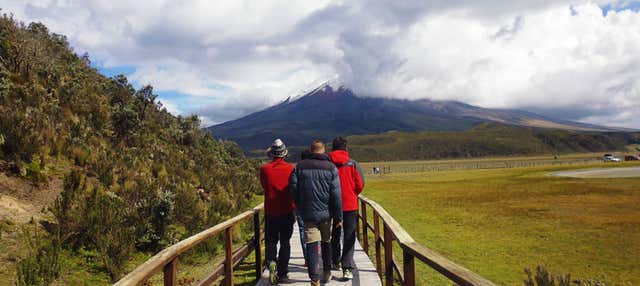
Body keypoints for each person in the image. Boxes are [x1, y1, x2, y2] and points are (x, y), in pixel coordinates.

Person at [290, 140, 342, 286]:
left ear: (311, 151)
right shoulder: (331, 168)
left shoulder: (299, 167)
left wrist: (299, 205)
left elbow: (293, 189)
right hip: (326, 214)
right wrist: (338, 217)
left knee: (312, 245)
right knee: (326, 242)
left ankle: (314, 279)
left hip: (308, 214)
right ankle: (326, 271)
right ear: (324, 150)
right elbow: (337, 195)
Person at [329, 136, 365, 280]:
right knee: (349, 236)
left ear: (333, 148)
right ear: (345, 148)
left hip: (331, 204)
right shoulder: (352, 163)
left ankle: (334, 260)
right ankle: (347, 267)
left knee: (334, 233)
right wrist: (352, 193)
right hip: (350, 204)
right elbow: (360, 183)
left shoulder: (327, 163)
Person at [260, 139, 295, 284]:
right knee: (285, 242)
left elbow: (264, 187)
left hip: (271, 211)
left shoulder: (264, 169)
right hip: (287, 210)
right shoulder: (291, 169)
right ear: (284, 154)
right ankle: (283, 271)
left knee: (271, 241)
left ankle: (271, 262)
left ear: (272, 154)